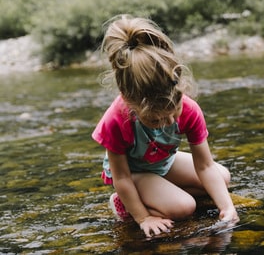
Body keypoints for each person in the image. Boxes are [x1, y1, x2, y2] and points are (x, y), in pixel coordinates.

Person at [92, 14, 239, 238]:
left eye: (174, 113)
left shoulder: (190, 109)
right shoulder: (116, 120)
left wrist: (227, 208)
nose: (169, 122)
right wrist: (143, 217)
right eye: (156, 120)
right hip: (134, 173)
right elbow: (121, 177)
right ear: (132, 105)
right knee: (185, 207)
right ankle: (126, 204)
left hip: (163, 162)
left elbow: (205, 166)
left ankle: (161, 193)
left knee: (222, 177)